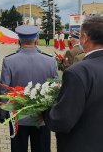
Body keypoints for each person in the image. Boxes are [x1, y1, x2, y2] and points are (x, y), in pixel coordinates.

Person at [43, 16, 103, 152]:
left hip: (82, 144)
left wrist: (46, 113)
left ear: (85, 38)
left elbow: (62, 120)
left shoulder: (77, 72)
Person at [1, 25, 58, 152]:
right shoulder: (50, 61)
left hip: (18, 117)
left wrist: (4, 112)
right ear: (36, 39)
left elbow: (4, 90)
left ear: (19, 40)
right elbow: (56, 89)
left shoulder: (9, 61)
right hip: (42, 117)